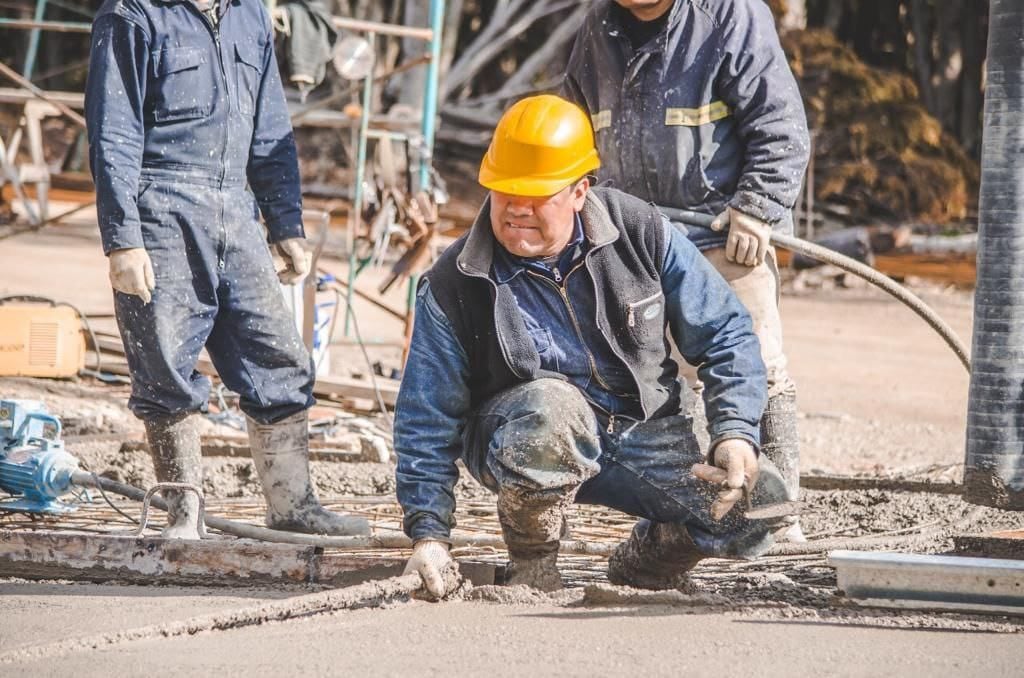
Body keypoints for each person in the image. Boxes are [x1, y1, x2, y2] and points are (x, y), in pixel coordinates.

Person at [396, 95, 787, 597]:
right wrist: (429, 534)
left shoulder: (640, 231)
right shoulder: (455, 282)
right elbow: (424, 416)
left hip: (642, 431)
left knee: (757, 503)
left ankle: (648, 563)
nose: (516, 208)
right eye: (504, 192)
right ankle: (533, 563)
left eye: (536, 195)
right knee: (554, 409)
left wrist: (734, 431)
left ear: (580, 191)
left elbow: (726, 331)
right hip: (528, 436)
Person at [85, 0, 367, 538]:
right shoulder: (133, 14)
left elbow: (269, 126)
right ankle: (183, 512)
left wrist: (284, 223)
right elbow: (113, 133)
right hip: (161, 206)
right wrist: (123, 240)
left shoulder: (250, 14)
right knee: (165, 364)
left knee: (279, 359)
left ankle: (293, 506)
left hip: (234, 209)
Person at [562, 0, 812, 540]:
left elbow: (780, 122)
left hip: (721, 233)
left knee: (757, 365)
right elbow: (575, 127)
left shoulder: (729, 16)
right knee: (659, 378)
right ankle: (701, 509)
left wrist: (757, 206)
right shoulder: (599, 27)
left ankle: (778, 508)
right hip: (633, 240)